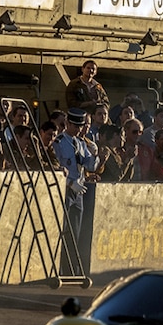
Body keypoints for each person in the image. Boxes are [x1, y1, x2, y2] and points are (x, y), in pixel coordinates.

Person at [53, 109, 99, 255]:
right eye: (75, 126)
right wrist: (69, 183)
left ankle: (71, 267)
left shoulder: (80, 142)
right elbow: (56, 167)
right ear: (67, 124)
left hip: (79, 191)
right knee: (62, 230)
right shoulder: (59, 142)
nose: (78, 130)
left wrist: (95, 155)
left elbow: (89, 165)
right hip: (65, 189)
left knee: (75, 233)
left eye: (80, 126)